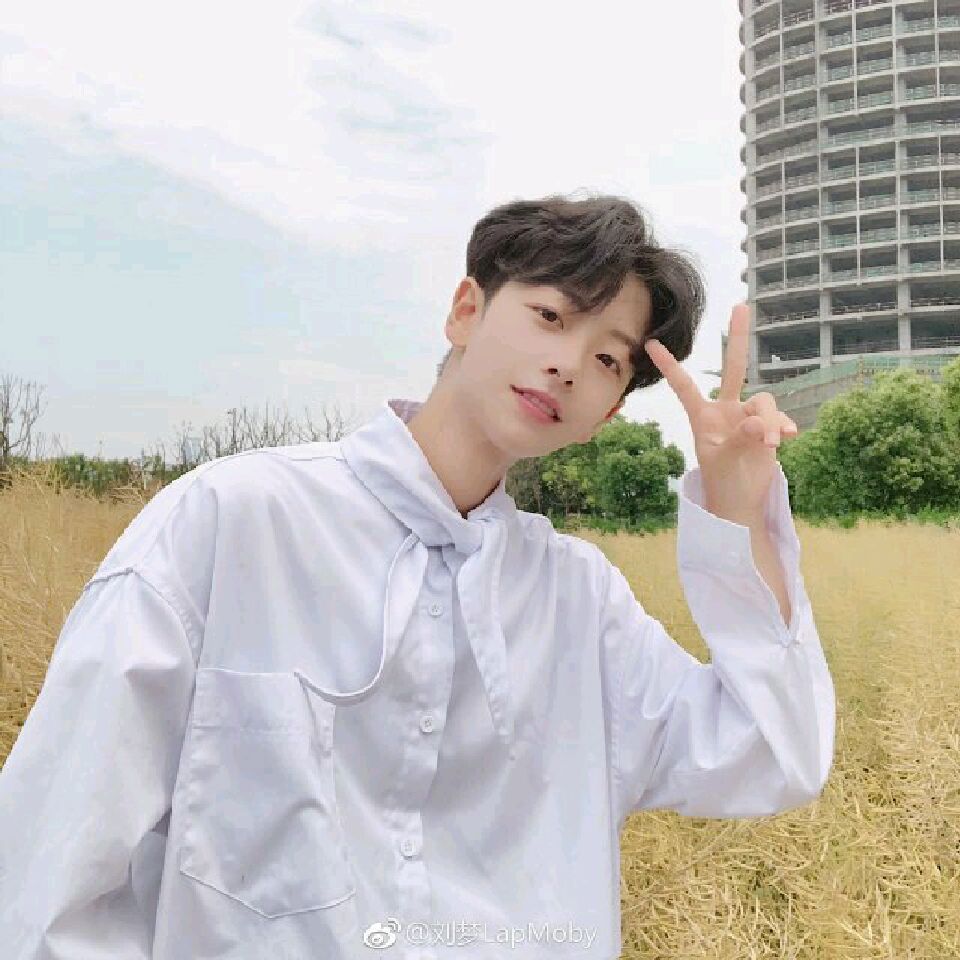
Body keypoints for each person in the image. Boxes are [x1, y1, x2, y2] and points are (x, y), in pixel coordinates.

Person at [0, 193, 835, 959]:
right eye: (551, 315)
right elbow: (50, 869)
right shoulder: (233, 519)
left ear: (606, 415)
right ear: (466, 310)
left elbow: (771, 753)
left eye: (610, 360)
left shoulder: (580, 602)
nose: (570, 364)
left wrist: (739, 510)